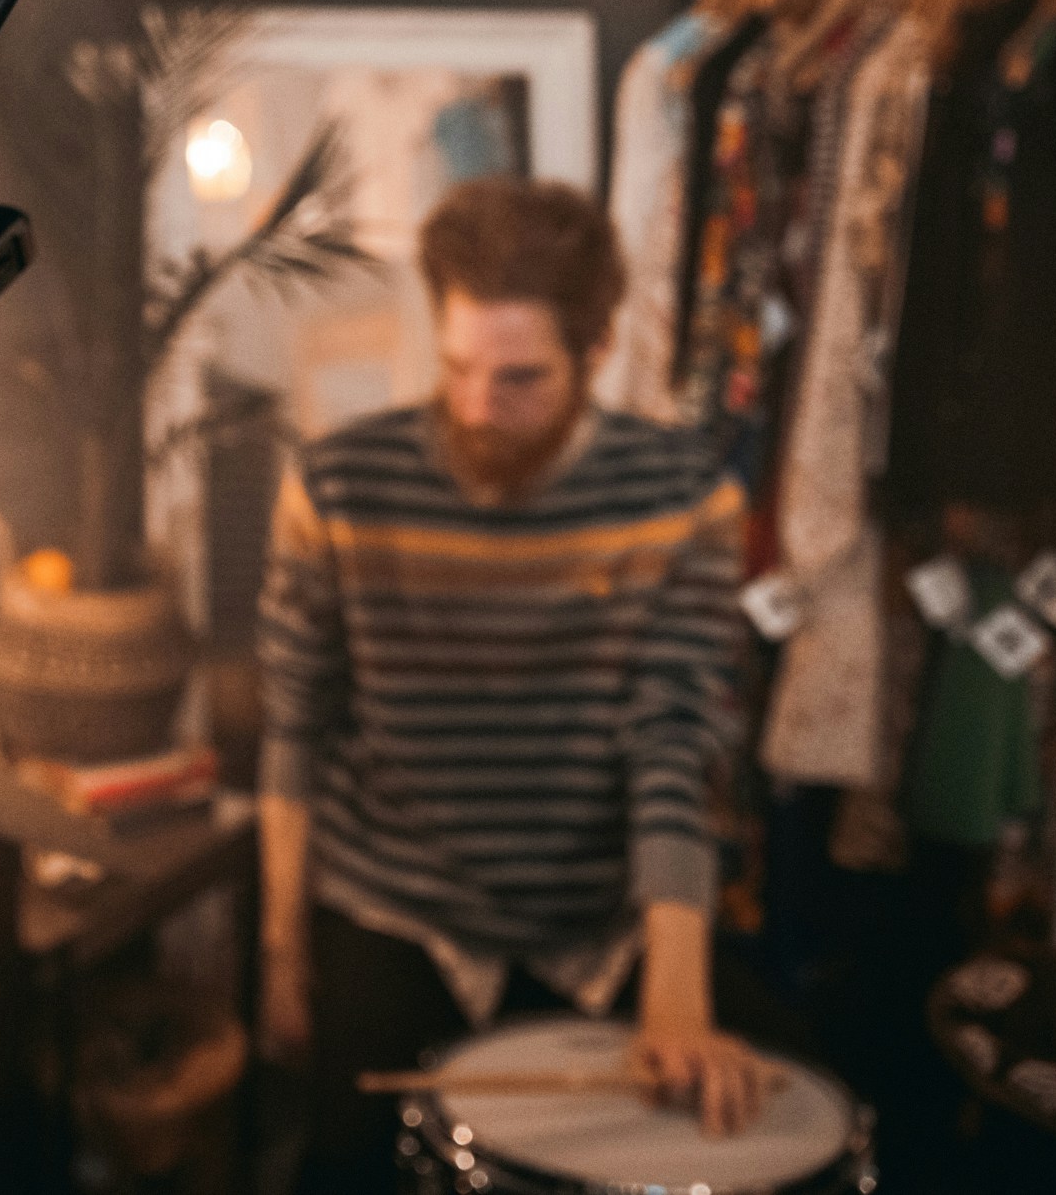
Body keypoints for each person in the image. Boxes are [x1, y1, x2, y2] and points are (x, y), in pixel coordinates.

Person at [257, 176, 766, 1192]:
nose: (478, 407)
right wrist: (278, 947)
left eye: (520, 377)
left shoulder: (684, 499)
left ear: (596, 348)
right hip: (387, 916)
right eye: (456, 368)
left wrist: (676, 993)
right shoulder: (332, 484)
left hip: (592, 934)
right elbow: (292, 723)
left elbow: (673, 743)